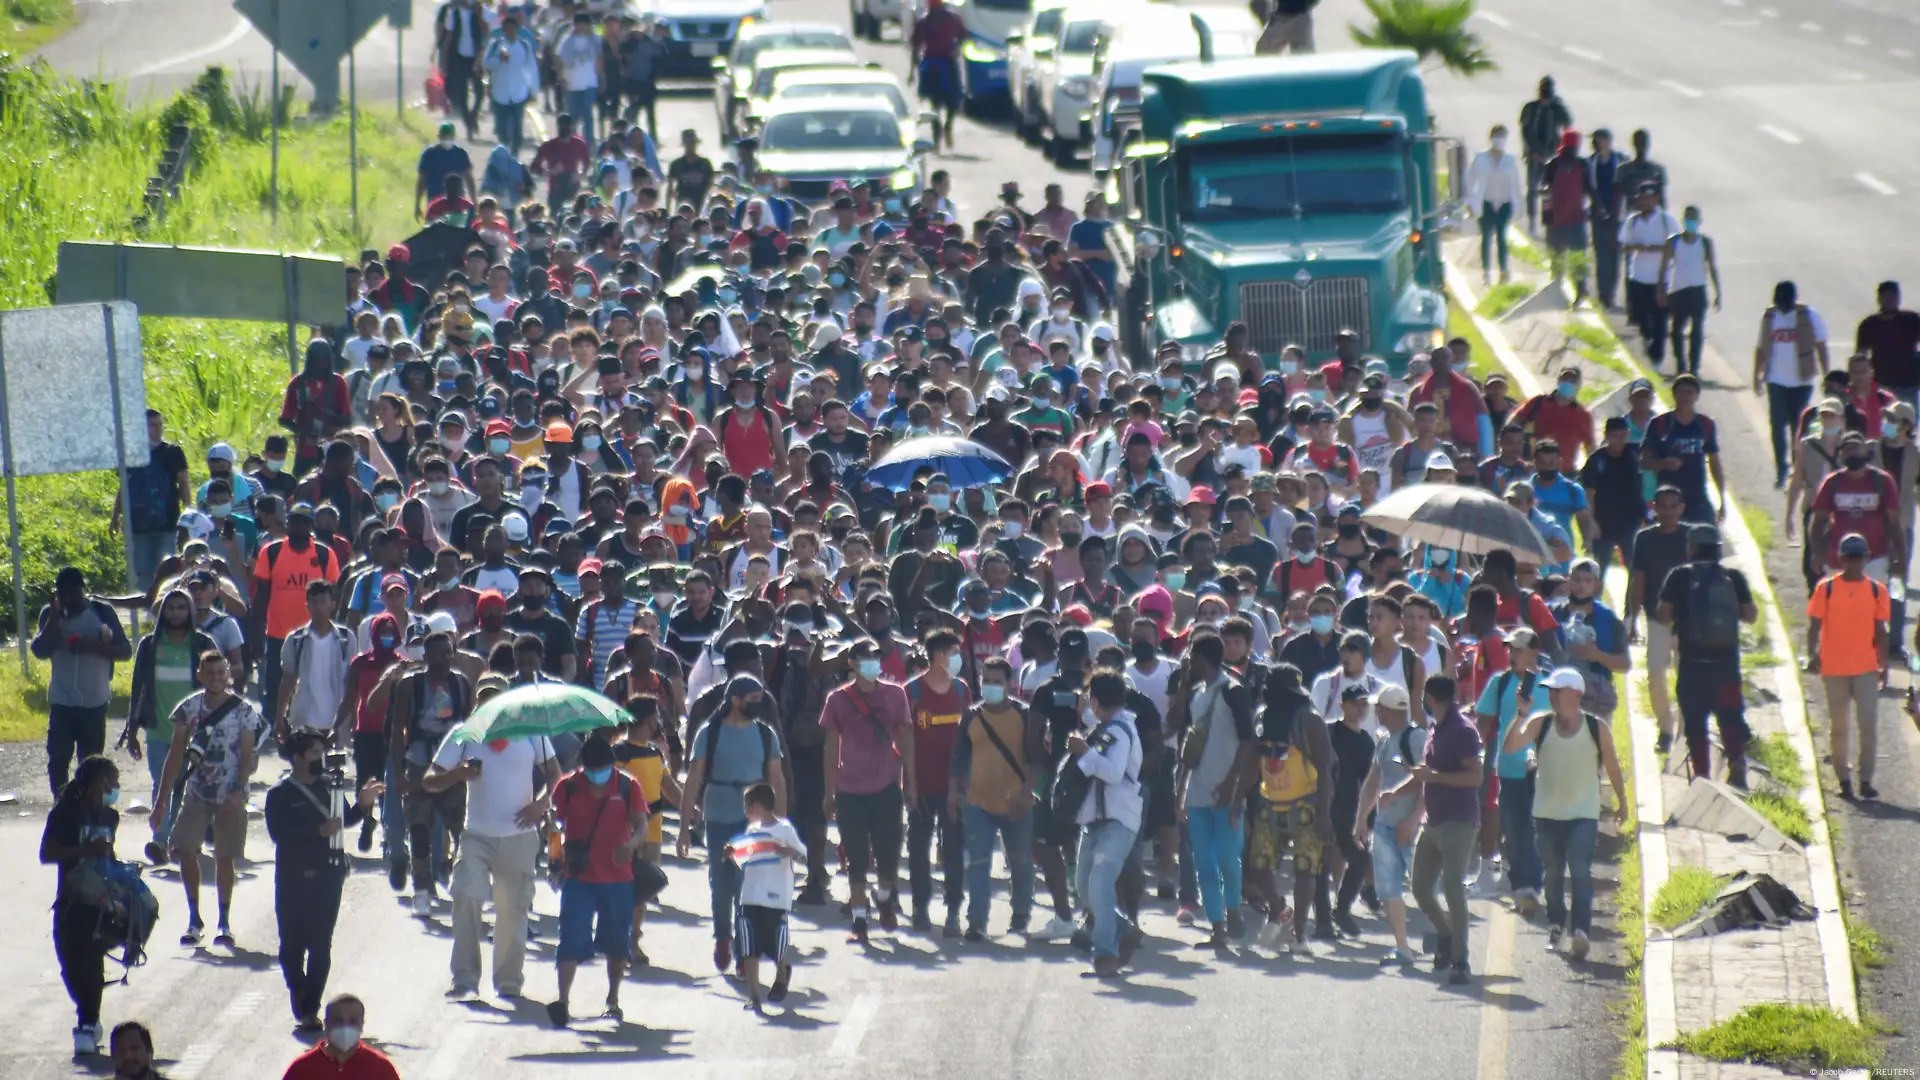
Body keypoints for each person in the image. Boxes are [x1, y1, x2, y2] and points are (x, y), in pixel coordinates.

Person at [419, 658, 557, 998]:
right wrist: (459, 774)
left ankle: (508, 983)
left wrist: (541, 804)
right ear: (476, 702)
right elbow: (430, 780)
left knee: (512, 910)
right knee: (466, 894)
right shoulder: (464, 735)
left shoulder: (531, 734)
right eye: (484, 697)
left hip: (519, 837)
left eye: (496, 697)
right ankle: (464, 980)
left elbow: (556, 776)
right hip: (476, 834)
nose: (490, 703)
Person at [1502, 668, 1628, 961]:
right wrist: (1520, 714)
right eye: (1552, 691)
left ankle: (1580, 932)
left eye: (1559, 691)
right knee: (1554, 875)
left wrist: (1622, 802)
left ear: (1577, 695)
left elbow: (1612, 765)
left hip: (1583, 814)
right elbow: (1510, 747)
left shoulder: (1597, 728)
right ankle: (1557, 925)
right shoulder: (1539, 723)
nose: (1553, 696)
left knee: (1581, 871)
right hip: (1547, 815)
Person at [265, 730, 383, 1029]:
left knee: (321, 945)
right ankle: (298, 988)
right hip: (292, 878)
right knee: (290, 947)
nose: (322, 759)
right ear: (297, 757)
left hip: (327, 877)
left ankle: (310, 1008)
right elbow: (279, 834)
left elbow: (345, 819)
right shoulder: (279, 794)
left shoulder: (329, 788)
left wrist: (362, 804)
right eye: (315, 753)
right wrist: (317, 832)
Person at [151, 650, 263, 947]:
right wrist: (162, 800)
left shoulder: (243, 711)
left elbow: (247, 755)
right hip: (197, 791)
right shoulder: (188, 709)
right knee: (184, 849)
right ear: (199, 674)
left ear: (229, 674)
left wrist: (239, 790)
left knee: (225, 857)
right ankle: (194, 918)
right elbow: (175, 754)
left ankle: (224, 922)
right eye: (209, 673)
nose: (215, 678)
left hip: (230, 794)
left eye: (220, 672)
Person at [678, 674, 787, 972]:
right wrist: (684, 828)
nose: (757, 704)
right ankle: (723, 937)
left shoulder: (766, 734)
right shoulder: (710, 733)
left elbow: (777, 780)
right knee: (721, 882)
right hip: (718, 813)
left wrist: (781, 827)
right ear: (735, 700)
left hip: (753, 818)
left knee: (747, 885)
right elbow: (693, 780)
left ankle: (744, 951)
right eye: (752, 699)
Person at [549, 735, 646, 1028]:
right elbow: (554, 828)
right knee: (570, 939)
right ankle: (562, 1000)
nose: (598, 775)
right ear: (583, 766)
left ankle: (612, 999)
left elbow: (641, 824)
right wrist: (553, 845)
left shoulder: (628, 786)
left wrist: (631, 844)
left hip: (618, 879)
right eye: (592, 769)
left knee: (617, 944)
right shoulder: (567, 787)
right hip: (578, 878)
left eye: (603, 768)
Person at [821, 639, 914, 943]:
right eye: (865, 659)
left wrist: (910, 782)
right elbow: (831, 746)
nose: (872, 663)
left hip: (887, 787)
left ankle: (885, 897)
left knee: (888, 858)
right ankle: (860, 923)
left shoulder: (896, 695)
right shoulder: (838, 700)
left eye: (876, 657)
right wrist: (829, 792)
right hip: (850, 790)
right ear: (853, 663)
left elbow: (906, 740)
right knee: (856, 859)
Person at [949, 655, 1045, 939]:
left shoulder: (1025, 716)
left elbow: (1037, 760)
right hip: (979, 802)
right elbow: (958, 758)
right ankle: (976, 922)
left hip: (1017, 803)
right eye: (985, 681)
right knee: (978, 862)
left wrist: (1025, 793)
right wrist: (953, 793)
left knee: (1020, 860)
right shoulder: (971, 717)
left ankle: (1020, 916)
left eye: (996, 681)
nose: (990, 686)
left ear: (1009, 684)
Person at [1656, 525, 1759, 785]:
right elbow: (1751, 615)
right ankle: (1737, 767)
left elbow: (1663, 615)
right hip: (1726, 664)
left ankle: (1701, 776)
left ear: (1691, 548)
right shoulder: (1732, 577)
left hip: (1692, 664)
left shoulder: (1679, 576)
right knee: (1730, 719)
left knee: (1694, 722)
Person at [1176, 631, 1256, 946]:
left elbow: (1249, 741)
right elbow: (1188, 747)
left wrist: (1233, 784)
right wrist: (1180, 791)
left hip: (1226, 793)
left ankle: (1233, 907)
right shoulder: (1197, 693)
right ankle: (1218, 927)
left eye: (1191, 656)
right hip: (1197, 791)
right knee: (1204, 864)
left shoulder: (1233, 691)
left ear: (1200, 658)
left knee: (1227, 857)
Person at [41, 755, 121, 1056]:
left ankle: (87, 1023)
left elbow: (109, 855)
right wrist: (86, 849)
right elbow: (47, 852)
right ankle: (87, 1010)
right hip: (69, 902)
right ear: (97, 782)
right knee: (70, 966)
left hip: (99, 904)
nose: (115, 788)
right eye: (112, 782)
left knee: (91, 965)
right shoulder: (66, 813)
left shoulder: (111, 817)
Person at [1070, 669, 1144, 977]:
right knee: (1084, 888)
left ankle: (1105, 954)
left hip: (1117, 819)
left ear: (1098, 700)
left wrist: (1084, 753)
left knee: (1099, 885)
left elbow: (1112, 772)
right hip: (1095, 820)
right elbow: (1097, 728)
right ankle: (1124, 927)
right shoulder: (1108, 725)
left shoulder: (1120, 731)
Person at [33, 566, 132, 796]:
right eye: (64, 594)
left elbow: (125, 651)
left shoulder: (101, 612)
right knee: (58, 759)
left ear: (82, 591)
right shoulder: (50, 614)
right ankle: (61, 802)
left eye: (74, 594)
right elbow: (39, 650)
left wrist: (93, 646)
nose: (70, 600)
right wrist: (56, 615)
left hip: (94, 701)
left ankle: (87, 805)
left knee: (90, 763)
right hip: (62, 700)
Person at [1408, 674, 1480, 984]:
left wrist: (1434, 776)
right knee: (1420, 888)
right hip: (1433, 822)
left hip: (1459, 822)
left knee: (1453, 888)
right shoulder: (1434, 728)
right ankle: (1447, 934)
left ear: (1430, 698)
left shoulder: (1462, 730)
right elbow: (1427, 774)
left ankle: (1461, 962)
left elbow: (1474, 777)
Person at [1807, 533, 1890, 800]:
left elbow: (1881, 630)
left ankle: (1866, 779)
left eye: (1859, 556)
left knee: (1868, 724)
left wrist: (1883, 664)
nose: (1854, 562)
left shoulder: (1877, 590)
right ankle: (1844, 779)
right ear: (1841, 558)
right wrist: (1812, 654)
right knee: (1839, 726)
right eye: (1849, 556)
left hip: (1865, 666)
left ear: (1866, 558)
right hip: (1834, 667)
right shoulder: (1826, 588)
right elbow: (1815, 624)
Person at [1475, 628, 1550, 916]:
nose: (1512, 655)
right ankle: (1523, 887)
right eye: (1510, 650)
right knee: (1515, 829)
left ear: (1534, 652)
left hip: (1544, 768)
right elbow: (1484, 721)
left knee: (1536, 829)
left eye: (1518, 650)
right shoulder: (1501, 682)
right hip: (1508, 768)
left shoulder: (1549, 684)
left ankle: (1531, 885)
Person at [906, 629, 970, 934]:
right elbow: (904, 743)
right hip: (920, 784)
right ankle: (920, 908)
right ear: (938, 655)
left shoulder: (962, 691)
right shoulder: (913, 692)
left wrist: (961, 786)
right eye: (953, 653)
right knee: (919, 848)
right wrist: (909, 785)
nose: (957, 659)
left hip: (954, 787)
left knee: (954, 849)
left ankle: (953, 911)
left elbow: (968, 739)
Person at [730, 781, 804, 1014]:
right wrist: (731, 853)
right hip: (751, 895)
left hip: (776, 897)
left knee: (775, 945)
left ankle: (782, 971)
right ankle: (754, 996)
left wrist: (789, 851)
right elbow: (745, 858)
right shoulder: (751, 832)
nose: (745, 811)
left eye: (747, 806)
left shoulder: (784, 830)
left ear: (759, 806)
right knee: (749, 947)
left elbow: (803, 854)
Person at [1754, 280, 1831, 488]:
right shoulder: (1770, 317)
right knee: (1777, 425)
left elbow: (1821, 346)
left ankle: (1799, 468)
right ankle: (1781, 468)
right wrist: (1757, 375)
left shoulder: (1809, 316)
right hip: (1776, 380)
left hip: (1802, 381)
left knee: (1799, 427)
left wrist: (1827, 376)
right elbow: (1761, 348)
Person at [115, 409, 192, 589]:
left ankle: (164, 605)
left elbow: (184, 483)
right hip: (137, 524)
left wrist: (188, 512)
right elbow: (124, 487)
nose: (157, 429)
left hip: (167, 521)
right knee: (141, 571)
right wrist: (115, 516)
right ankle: (144, 610)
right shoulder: (131, 454)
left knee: (166, 568)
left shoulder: (173, 452)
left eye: (160, 425)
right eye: (152, 425)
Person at [275, 580, 356, 743]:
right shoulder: (295, 640)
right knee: (305, 765)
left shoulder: (346, 639)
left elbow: (352, 681)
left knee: (335, 766)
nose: (318, 607)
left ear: (333, 605)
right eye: (313, 602)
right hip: (304, 718)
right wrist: (279, 716)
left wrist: (355, 714)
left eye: (323, 602)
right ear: (307, 606)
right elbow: (288, 679)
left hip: (336, 719)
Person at [1657, 204, 1722, 378]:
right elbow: (1663, 268)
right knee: (1676, 329)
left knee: (1697, 330)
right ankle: (1680, 364)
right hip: (1678, 291)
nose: (1690, 222)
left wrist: (1718, 293)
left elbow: (1712, 267)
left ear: (1699, 221)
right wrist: (1661, 290)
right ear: (1683, 220)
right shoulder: (1674, 241)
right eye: (1687, 219)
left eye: (1693, 219)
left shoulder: (1705, 243)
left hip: (1698, 291)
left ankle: (1694, 367)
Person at [280, 995, 400, 1080]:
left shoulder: (381, 1069)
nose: (345, 1027)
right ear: (326, 1024)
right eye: (338, 1021)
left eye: (353, 1021)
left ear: (362, 1025)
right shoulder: (302, 1069)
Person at [1465, 124, 1526, 283]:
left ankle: (1504, 270)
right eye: (1496, 136)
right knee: (1486, 237)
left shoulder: (1510, 160)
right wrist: (1470, 202)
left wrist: (1519, 205)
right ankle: (1486, 271)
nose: (1499, 140)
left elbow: (1518, 184)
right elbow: (1471, 182)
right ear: (1490, 138)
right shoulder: (1480, 158)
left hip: (1505, 203)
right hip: (1487, 203)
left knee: (1501, 237)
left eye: (1502, 137)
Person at [1518, 76, 1573, 234]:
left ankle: (1551, 221)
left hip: (1552, 154)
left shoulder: (1556, 108)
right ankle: (1532, 221)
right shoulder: (1531, 108)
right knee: (1533, 189)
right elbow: (1525, 131)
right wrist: (1532, 151)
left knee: (1551, 189)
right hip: (1533, 155)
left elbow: (1567, 125)